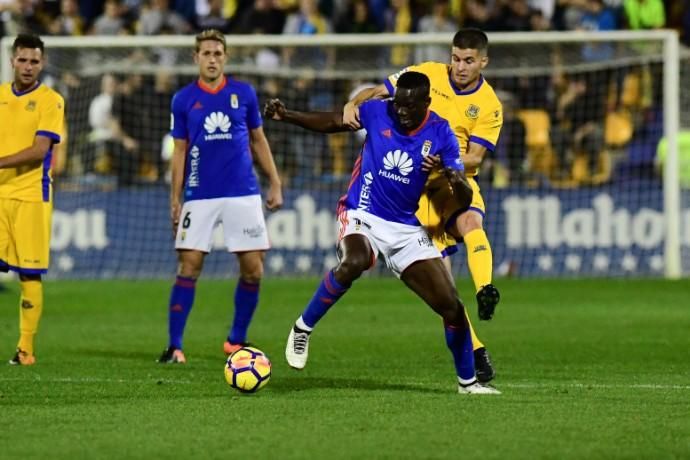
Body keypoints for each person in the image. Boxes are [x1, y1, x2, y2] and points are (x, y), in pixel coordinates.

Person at [264, 72, 500, 394]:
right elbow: (333, 122)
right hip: (361, 211)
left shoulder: (441, 131)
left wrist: (447, 175)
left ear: (427, 104)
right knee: (356, 261)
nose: (400, 112)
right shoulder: (378, 111)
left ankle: (468, 384)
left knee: (452, 306)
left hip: (405, 226)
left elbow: (462, 197)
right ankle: (303, 327)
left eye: (408, 107)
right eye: (398, 104)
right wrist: (286, 115)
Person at [352, 29, 504, 382]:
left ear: (483, 62)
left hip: (452, 180)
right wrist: (351, 104)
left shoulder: (489, 104)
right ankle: (477, 350)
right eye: (456, 58)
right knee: (445, 289)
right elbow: (376, 92)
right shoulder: (427, 75)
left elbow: (476, 156)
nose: (460, 66)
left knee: (470, 224)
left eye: (469, 60)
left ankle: (485, 290)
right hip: (413, 189)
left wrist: (441, 160)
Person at [157, 29, 283, 364]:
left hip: (243, 192)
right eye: (206, 53)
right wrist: (175, 197)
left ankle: (236, 341)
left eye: (217, 53)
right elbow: (179, 151)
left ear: (225, 57)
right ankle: (174, 346)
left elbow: (258, 140)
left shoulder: (244, 93)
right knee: (188, 266)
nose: (212, 59)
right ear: (195, 58)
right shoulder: (183, 100)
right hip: (199, 195)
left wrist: (275, 182)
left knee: (254, 269)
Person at [0, 33, 65, 365]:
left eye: (34, 61)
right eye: (22, 60)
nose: (27, 66)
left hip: (30, 197)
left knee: (29, 275)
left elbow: (41, 151)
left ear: (43, 63)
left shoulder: (51, 100)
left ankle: (25, 350)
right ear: (12, 61)